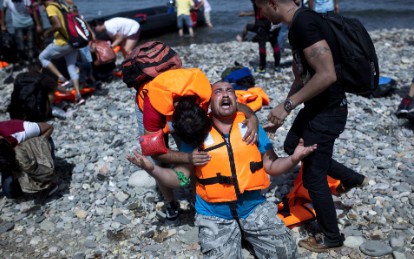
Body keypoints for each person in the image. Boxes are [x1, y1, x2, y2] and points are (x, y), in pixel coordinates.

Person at [128, 81, 318, 258]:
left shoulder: (250, 126)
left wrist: (294, 158)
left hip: (253, 207)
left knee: (286, 254)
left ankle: (246, 234)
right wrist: (152, 169)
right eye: (218, 91)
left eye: (230, 91)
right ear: (209, 103)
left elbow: (272, 166)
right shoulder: (197, 131)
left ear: (236, 100)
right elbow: (180, 179)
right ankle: (234, 236)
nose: (225, 94)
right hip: (214, 214)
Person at [254, 0, 368, 252]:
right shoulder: (297, 25)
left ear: (272, 3)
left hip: (329, 111)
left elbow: (327, 74)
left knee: (314, 177)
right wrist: (285, 109)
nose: (260, 14)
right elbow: (301, 76)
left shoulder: (305, 23)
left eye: (260, 8)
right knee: (292, 144)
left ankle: (332, 237)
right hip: (315, 108)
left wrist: (287, 105)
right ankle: (352, 178)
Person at [136, 67, 259, 222]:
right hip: (147, 98)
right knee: (157, 159)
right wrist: (187, 157)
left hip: (178, 87)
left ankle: (196, 196)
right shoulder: (152, 109)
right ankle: (170, 202)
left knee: (194, 151)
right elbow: (154, 151)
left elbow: (236, 106)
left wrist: (252, 117)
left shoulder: (205, 95)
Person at [37, 0, 84, 105]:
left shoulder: (50, 7)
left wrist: (46, 33)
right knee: (71, 67)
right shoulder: (61, 5)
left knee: (42, 57)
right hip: (73, 41)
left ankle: (62, 79)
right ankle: (78, 95)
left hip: (62, 42)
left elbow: (58, 25)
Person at [0, 119, 57, 198]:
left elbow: (49, 127)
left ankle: (49, 181)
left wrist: (35, 145)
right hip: (10, 156)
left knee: (35, 170)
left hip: (37, 145)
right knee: (9, 192)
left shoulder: (21, 130)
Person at [236, 0, 281, 73]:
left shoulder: (257, 2)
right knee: (275, 43)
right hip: (273, 22)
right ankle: (277, 66)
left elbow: (261, 12)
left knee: (262, 45)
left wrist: (246, 14)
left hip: (262, 24)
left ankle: (262, 67)